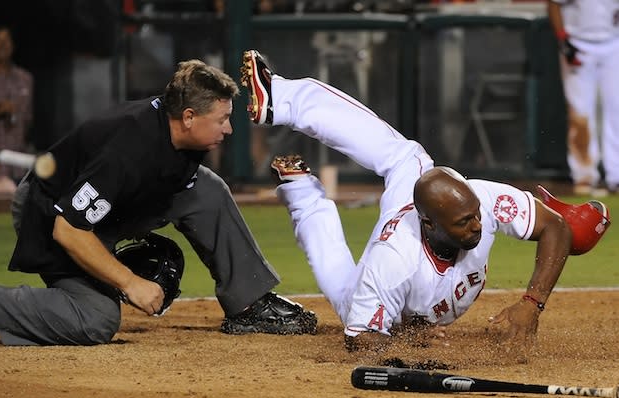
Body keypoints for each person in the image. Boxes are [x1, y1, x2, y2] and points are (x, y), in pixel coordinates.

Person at [240, 49, 611, 352]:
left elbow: (556, 228)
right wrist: (404, 338)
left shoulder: (478, 200)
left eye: (475, 215)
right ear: (430, 222)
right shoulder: (393, 260)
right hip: (394, 273)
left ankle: (288, 131)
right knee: (343, 286)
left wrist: (532, 303)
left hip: (417, 225)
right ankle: (301, 189)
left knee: (408, 158)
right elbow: (362, 341)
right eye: (466, 221)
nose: (478, 224)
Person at [0, 59, 316, 346]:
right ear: (189, 117)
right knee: (96, 318)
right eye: (221, 119)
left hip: (109, 205)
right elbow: (69, 229)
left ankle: (249, 304)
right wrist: (129, 281)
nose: (229, 129)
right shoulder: (128, 151)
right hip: (50, 213)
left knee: (207, 189)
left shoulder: (176, 130)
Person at [547, 0, 619, 195]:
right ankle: (584, 176)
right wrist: (562, 39)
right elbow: (553, 4)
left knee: (617, 110)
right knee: (580, 111)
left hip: (614, 41)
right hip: (578, 41)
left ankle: (616, 176)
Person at [0, 25, 33, 182]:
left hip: (18, 167)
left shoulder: (25, 78)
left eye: (6, 40)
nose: (2, 44)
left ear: (13, 44)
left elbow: (28, 120)